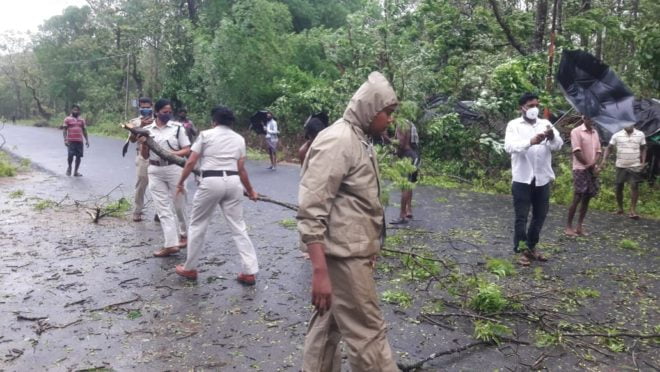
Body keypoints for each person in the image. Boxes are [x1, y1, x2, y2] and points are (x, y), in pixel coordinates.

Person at [297, 71, 399, 372]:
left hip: (351, 252)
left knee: (327, 325)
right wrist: (319, 272)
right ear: (370, 108)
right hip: (342, 258)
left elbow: (356, 205)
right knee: (368, 333)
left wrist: (370, 248)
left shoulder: (359, 139)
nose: (390, 120)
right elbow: (311, 208)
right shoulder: (338, 140)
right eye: (388, 113)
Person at [173, 106, 260, 285]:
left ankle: (189, 268)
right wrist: (250, 190)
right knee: (238, 227)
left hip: (211, 182)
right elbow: (241, 169)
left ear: (214, 121)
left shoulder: (206, 135)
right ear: (231, 122)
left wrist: (181, 182)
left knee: (198, 225)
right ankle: (249, 271)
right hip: (233, 182)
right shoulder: (239, 139)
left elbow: (191, 161)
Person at [504, 92, 563, 266]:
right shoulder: (514, 125)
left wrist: (552, 136)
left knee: (540, 215)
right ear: (521, 107)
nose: (534, 109)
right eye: (530, 106)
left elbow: (558, 145)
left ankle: (531, 246)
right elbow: (509, 147)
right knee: (521, 216)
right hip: (522, 179)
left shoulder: (545, 124)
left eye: (536, 105)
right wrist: (530, 141)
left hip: (542, 178)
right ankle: (521, 249)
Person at [137, 98, 190, 257]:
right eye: (164, 112)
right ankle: (171, 243)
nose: (167, 114)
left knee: (179, 205)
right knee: (162, 208)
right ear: (157, 112)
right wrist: (144, 144)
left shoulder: (177, 128)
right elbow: (144, 155)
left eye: (169, 112)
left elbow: (186, 149)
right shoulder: (147, 129)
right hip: (154, 169)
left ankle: (184, 234)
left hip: (174, 169)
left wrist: (171, 154)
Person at [565, 115, 602, 236]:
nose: (591, 120)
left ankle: (579, 226)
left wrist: (594, 164)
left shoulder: (595, 132)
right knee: (578, 197)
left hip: (592, 168)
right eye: (588, 118)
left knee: (587, 198)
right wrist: (589, 165)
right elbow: (576, 151)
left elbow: (598, 151)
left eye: (592, 118)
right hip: (580, 168)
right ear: (583, 118)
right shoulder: (576, 131)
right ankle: (568, 226)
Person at [600, 125, 647, 219]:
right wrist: (604, 160)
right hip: (621, 165)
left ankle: (632, 210)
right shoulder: (617, 135)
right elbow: (609, 148)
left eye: (630, 123)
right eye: (626, 123)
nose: (628, 125)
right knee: (618, 187)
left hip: (635, 165)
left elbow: (644, 147)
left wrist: (643, 161)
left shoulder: (640, 134)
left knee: (634, 186)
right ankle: (620, 208)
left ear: (633, 123)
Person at [128, 97, 155, 222]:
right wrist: (140, 127)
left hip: (158, 156)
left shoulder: (158, 120)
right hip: (142, 157)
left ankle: (160, 213)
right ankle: (137, 211)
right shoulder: (134, 122)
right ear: (139, 107)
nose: (145, 109)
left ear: (152, 106)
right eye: (143, 107)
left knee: (159, 186)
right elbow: (132, 139)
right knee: (141, 184)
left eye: (147, 106)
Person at [62, 105, 90, 177]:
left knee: (78, 156)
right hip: (71, 141)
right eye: (74, 110)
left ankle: (76, 171)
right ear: (71, 110)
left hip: (79, 141)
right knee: (70, 156)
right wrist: (65, 140)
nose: (75, 111)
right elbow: (64, 130)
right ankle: (69, 167)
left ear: (79, 111)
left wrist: (87, 140)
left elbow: (84, 130)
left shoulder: (82, 120)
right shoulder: (67, 119)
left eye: (77, 110)